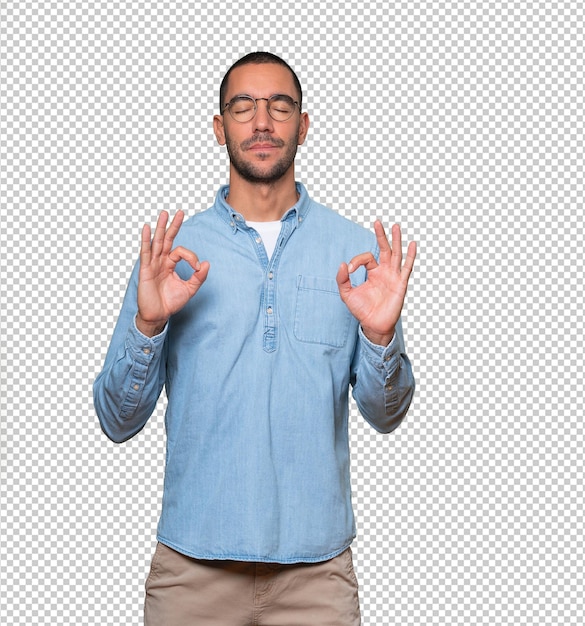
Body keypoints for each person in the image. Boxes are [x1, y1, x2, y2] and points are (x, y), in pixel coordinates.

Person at [93, 51, 417, 626]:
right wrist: (149, 325)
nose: (262, 123)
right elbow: (117, 421)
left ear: (304, 125)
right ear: (219, 128)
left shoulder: (355, 254)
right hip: (192, 573)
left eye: (280, 107)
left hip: (317, 577)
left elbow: (386, 416)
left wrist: (381, 334)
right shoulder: (173, 256)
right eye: (243, 108)